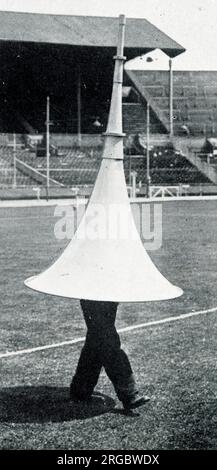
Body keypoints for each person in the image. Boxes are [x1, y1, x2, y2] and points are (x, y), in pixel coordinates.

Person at [70, 299, 149, 409]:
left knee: (95, 341)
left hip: (108, 294)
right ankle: (129, 394)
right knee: (108, 341)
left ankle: (80, 390)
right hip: (92, 294)